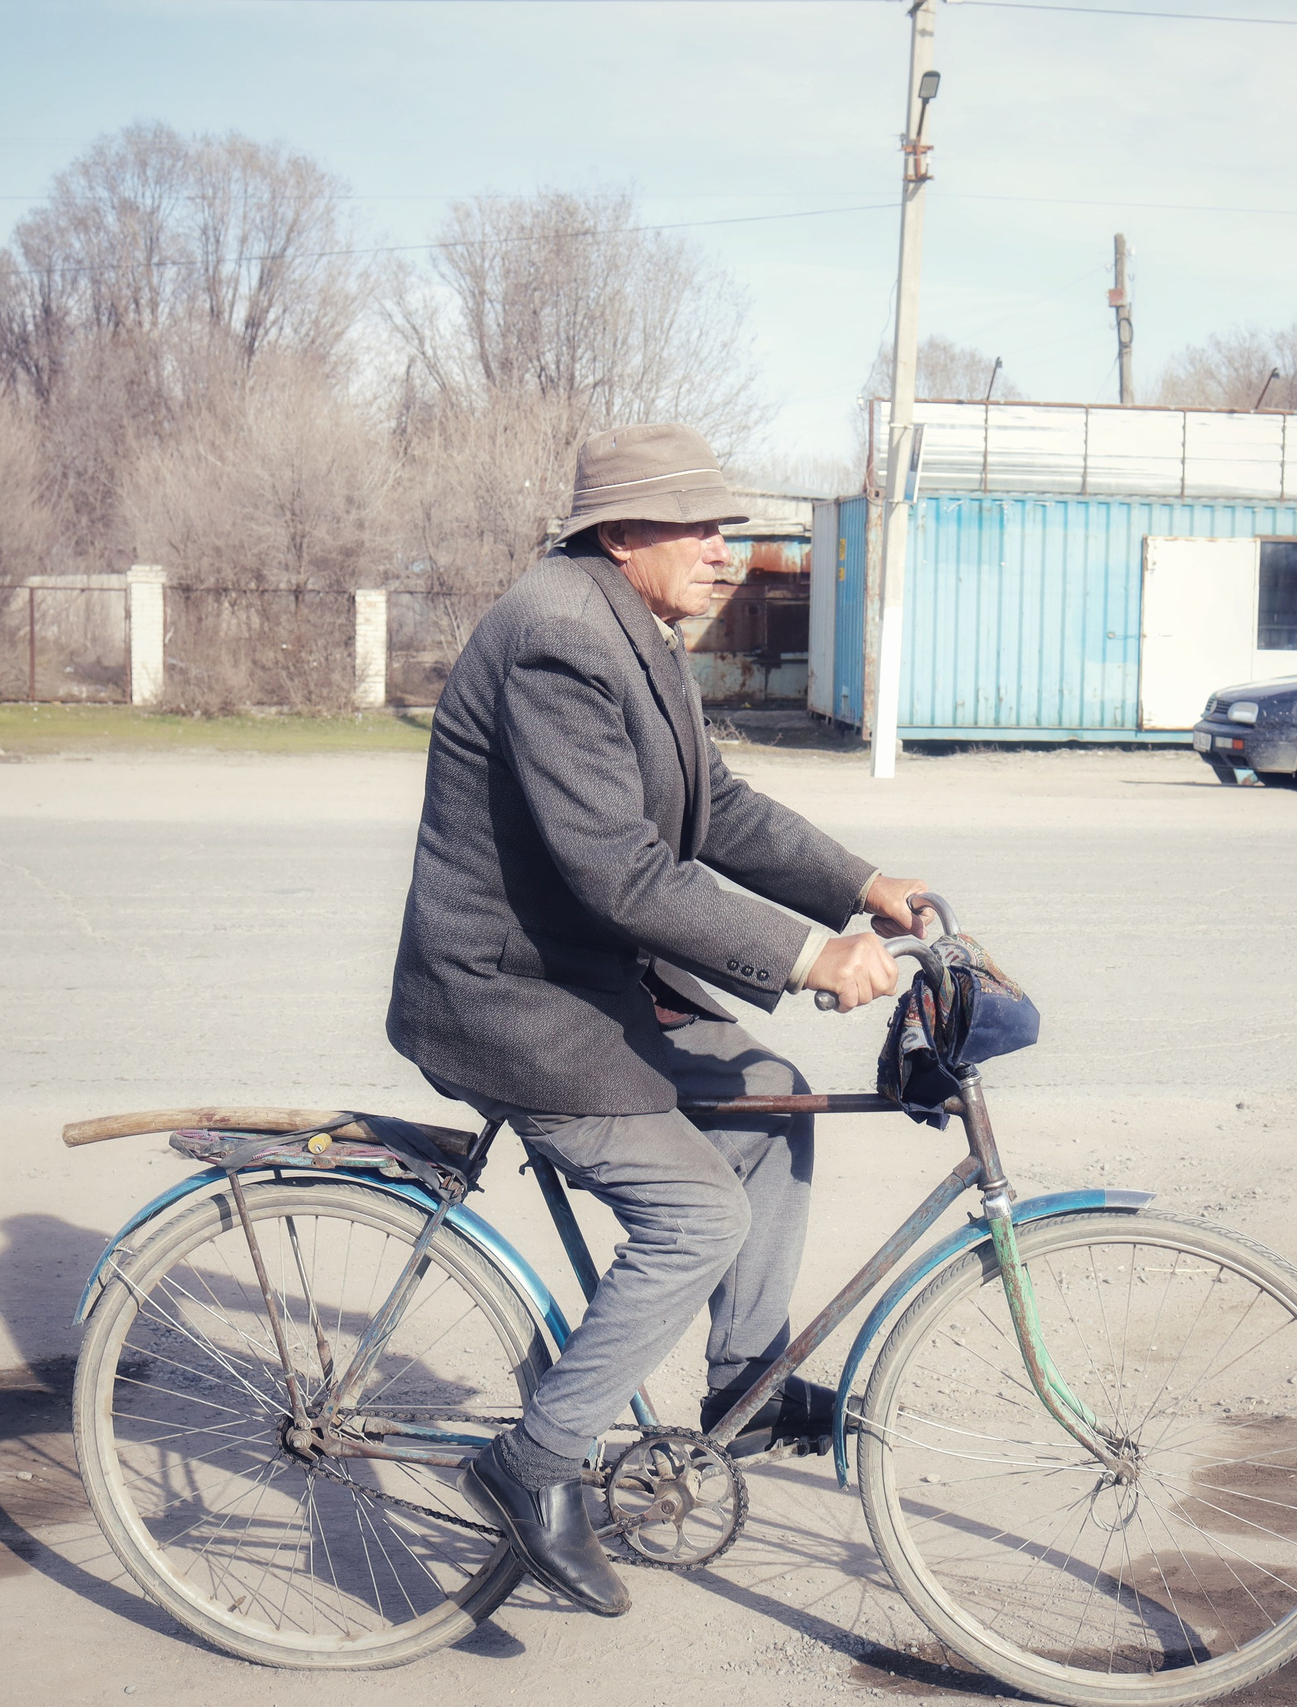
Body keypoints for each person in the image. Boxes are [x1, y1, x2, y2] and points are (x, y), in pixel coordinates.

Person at [386, 422, 931, 1619]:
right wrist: (809, 956)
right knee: (694, 1214)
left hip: (587, 980)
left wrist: (860, 887)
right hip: (510, 1000)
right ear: (622, 535)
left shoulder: (629, 629)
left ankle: (745, 1387)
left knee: (772, 1093)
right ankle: (528, 1471)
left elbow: (716, 808)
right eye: (703, 527)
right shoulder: (557, 642)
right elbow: (623, 875)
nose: (728, 552)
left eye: (731, 528)